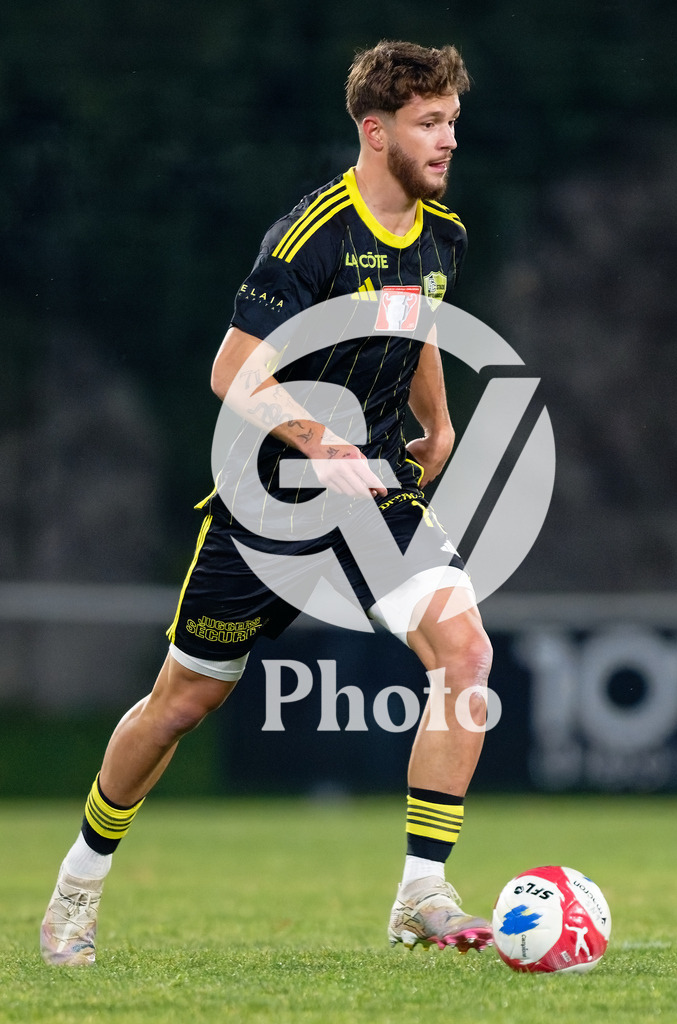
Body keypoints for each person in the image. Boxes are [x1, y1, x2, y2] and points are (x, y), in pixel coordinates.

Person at [41, 39, 494, 966]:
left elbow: (419, 330)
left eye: (452, 120)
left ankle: (421, 894)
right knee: (178, 705)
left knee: (465, 653)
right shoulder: (311, 234)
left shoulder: (442, 230)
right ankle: (78, 884)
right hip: (270, 503)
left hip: (371, 492)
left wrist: (438, 424)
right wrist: (318, 442)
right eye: (429, 123)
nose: (449, 139)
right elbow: (231, 370)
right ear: (376, 131)